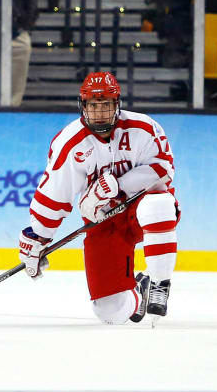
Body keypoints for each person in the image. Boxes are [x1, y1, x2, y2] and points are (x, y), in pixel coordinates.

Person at [18, 71, 177, 325]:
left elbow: (164, 170)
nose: (100, 112)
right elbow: (54, 195)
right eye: (94, 106)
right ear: (83, 107)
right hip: (104, 222)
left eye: (106, 105)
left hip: (140, 211)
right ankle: (140, 291)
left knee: (161, 204)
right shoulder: (70, 143)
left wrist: (117, 185)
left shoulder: (144, 128)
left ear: (118, 105)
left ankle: (160, 282)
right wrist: (37, 236)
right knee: (110, 312)